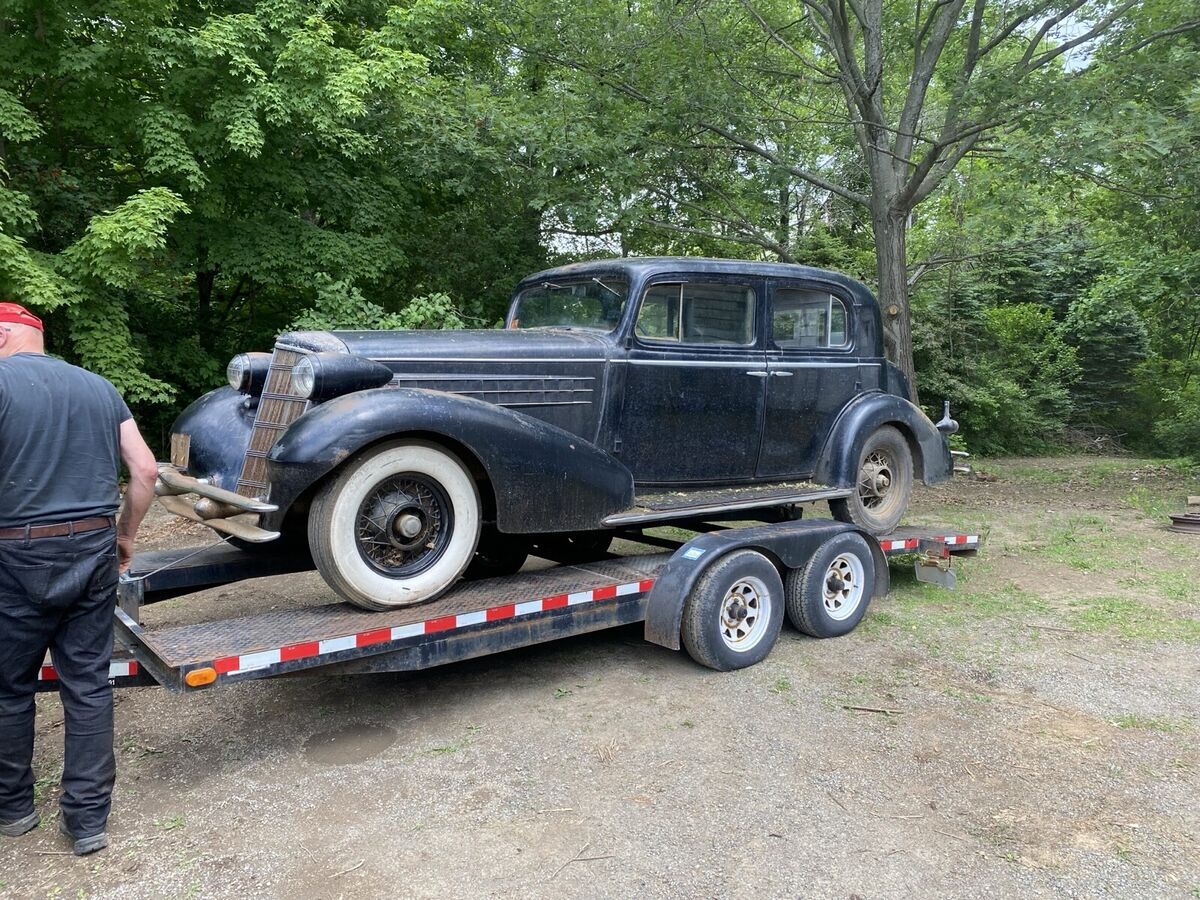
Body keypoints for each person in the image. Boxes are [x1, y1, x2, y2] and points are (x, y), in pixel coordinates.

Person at [0, 302, 158, 855]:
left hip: (14, 553)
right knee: (88, 685)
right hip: (93, 544)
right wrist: (127, 534)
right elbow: (145, 470)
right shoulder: (98, 387)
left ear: (3, 335)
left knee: (8, 688)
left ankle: (14, 809)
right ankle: (87, 822)